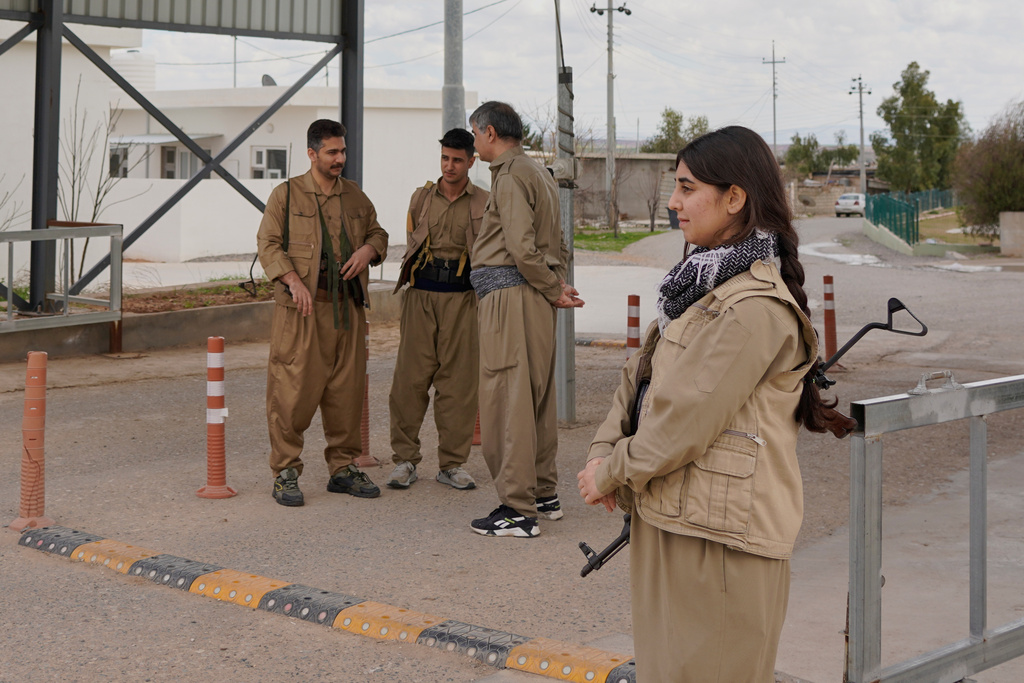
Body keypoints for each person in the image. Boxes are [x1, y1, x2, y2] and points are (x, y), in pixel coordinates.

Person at [577, 126, 855, 681]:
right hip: (672, 517)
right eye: (675, 187)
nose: (674, 202)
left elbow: (684, 421)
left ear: (735, 198)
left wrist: (612, 472)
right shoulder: (697, 284)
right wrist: (600, 450)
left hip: (722, 541)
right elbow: (640, 375)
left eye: (686, 188)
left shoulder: (754, 307)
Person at [257, 118, 389, 507]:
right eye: (332, 152)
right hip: (302, 311)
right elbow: (268, 244)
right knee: (291, 390)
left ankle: (343, 468)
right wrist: (293, 281)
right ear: (312, 153)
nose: (339, 159)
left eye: (342, 151)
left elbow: (378, 234)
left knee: (345, 393)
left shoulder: (354, 196)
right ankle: (285, 471)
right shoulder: (287, 195)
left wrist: (368, 251)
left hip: (346, 309)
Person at [467, 101, 584, 538]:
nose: (474, 142)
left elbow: (518, 245)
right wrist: (555, 284)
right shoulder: (540, 174)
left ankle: (517, 510)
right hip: (532, 296)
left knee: (507, 399)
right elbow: (559, 241)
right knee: (534, 397)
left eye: (475, 134)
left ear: (491, 133)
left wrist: (552, 287)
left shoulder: (512, 175)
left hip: (512, 298)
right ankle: (542, 493)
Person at [386, 128, 489, 491]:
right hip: (421, 296)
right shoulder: (421, 197)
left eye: (457, 159)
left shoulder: (484, 202)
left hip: (463, 300)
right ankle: (404, 460)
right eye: (445, 158)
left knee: (458, 386)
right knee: (409, 382)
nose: (449, 166)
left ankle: (452, 463)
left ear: (471, 161)